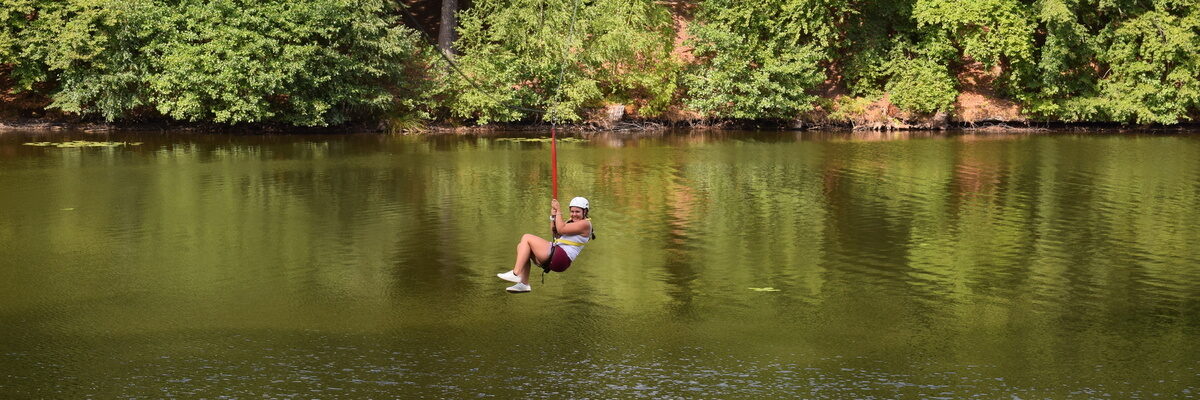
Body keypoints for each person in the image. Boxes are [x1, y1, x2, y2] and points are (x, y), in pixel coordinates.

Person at [497, 196, 593, 293]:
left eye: (577, 212)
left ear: (585, 212)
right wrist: (553, 217)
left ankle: (515, 273)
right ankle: (523, 284)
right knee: (522, 246)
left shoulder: (585, 224)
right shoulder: (571, 222)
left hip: (561, 258)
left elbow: (561, 229)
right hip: (557, 259)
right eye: (572, 211)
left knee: (526, 237)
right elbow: (556, 233)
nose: (574, 214)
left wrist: (559, 210)